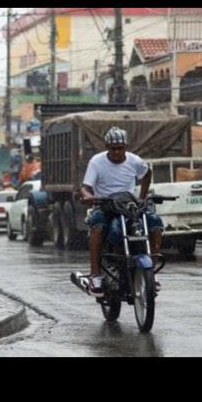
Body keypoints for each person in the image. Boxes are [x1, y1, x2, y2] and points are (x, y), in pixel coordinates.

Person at [74, 127, 165, 297]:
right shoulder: (96, 161)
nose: (117, 152)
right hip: (105, 205)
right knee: (98, 227)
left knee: (155, 224)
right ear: (107, 146)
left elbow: (146, 174)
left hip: (129, 206)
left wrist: (142, 199)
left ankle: (151, 271)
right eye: (113, 148)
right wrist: (89, 197)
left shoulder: (135, 161)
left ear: (126, 146)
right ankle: (95, 275)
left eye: (120, 148)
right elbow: (85, 187)